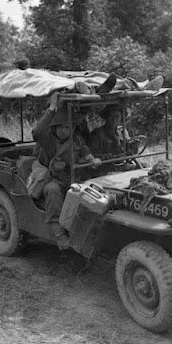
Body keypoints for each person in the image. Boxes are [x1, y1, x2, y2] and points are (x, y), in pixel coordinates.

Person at [32, 92, 102, 250]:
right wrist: (51, 108)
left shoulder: (76, 139)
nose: (64, 130)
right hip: (56, 180)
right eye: (60, 127)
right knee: (52, 190)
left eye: (67, 127)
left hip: (76, 179)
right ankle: (59, 233)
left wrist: (92, 160)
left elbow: (86, 152)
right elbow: (37, 133)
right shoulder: (49, 140)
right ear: (54, 128)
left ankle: (88, 229)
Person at [88, 105, 140, 173]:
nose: (114, 120)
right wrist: (105, 157)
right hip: (104, 169)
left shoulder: (121, 132)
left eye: (117, 117)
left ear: (121, 119)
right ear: (106, 117)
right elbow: (91, 154)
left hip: (122, 165)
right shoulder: (97, 134)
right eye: (111, 116)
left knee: (145, 166)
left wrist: (133, 145)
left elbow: (128, 150)